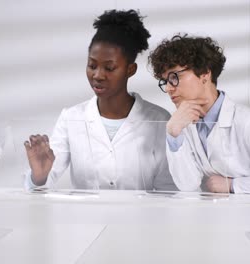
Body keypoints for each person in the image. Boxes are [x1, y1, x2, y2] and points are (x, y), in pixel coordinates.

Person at [24, 10, 177, 191]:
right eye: (92, 65)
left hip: (140, 219)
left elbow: (168, 192)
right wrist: (39, 177)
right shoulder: (71, 118)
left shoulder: (159, 120)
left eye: (109, 68)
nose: (98, 75)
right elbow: (41, 185)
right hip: (87, 219)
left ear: (131, 69)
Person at [148, 34, 250, 194]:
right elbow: (188, 185)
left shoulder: (246, 121)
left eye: (174, 77)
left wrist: (233, 185)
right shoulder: (183, 122)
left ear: (205, 74)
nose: (168, 88)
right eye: (165, 81)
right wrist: (173, 134)